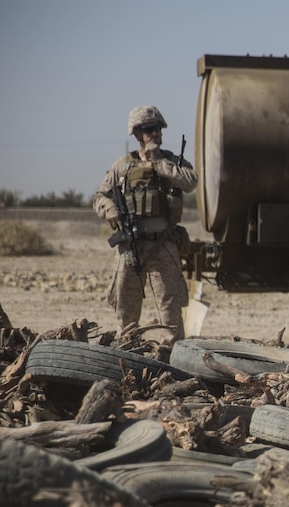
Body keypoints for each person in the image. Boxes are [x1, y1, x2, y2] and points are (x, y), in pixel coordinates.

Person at [93, 105, 197, 344]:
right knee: (126, 315)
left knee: (171, 314)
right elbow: (100, 196)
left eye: (158, 128)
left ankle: (173, 360)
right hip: (130, 248)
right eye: (150, 130)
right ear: (137, 134)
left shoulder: (170, 162)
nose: (156, 134)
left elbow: (191, 182)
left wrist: (159, 163)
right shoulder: (122, 166)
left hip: (163, 245)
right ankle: (128, 360)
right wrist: (109, 208)